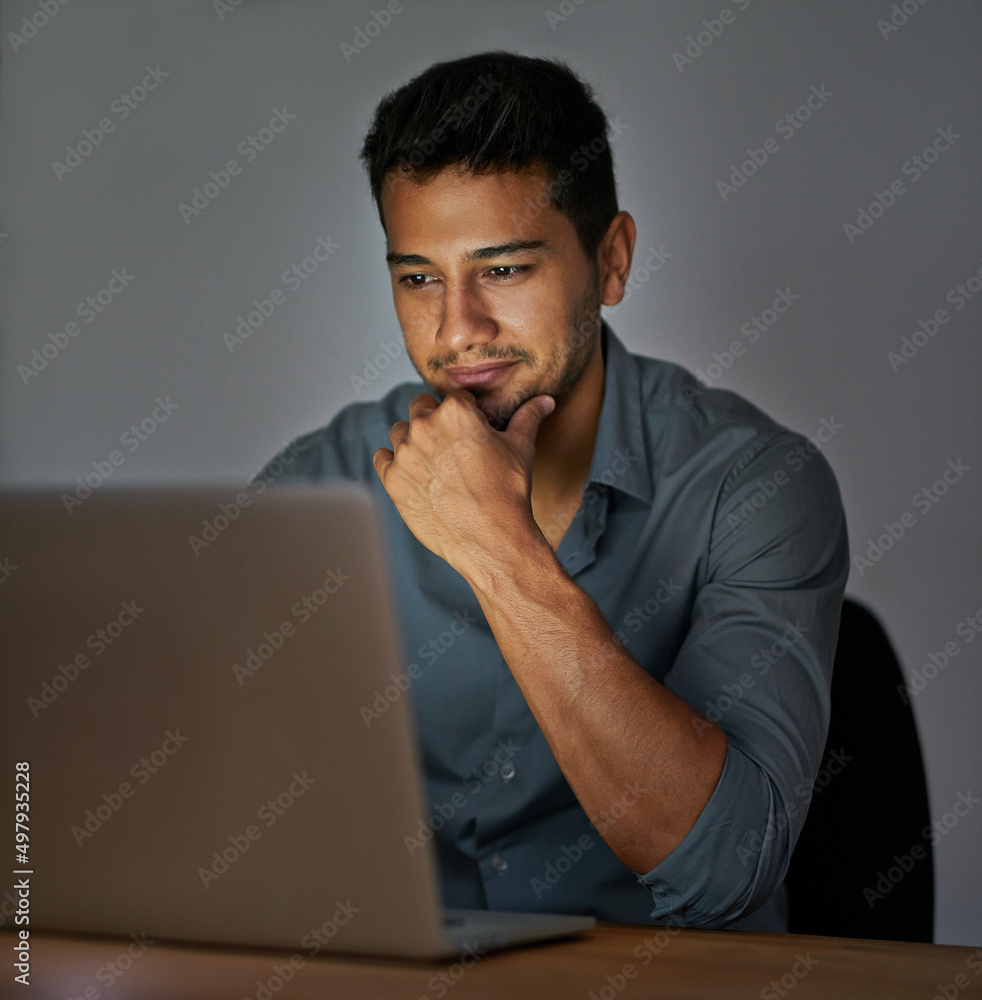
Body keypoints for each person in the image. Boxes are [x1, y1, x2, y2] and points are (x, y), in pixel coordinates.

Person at [256, 51, 849, 932]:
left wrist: (496, 547)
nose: (458, 329)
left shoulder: (754, 486)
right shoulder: (315, 490)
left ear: (611, 263)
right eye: (419, 277)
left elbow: (729, 870)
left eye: (503, 270)